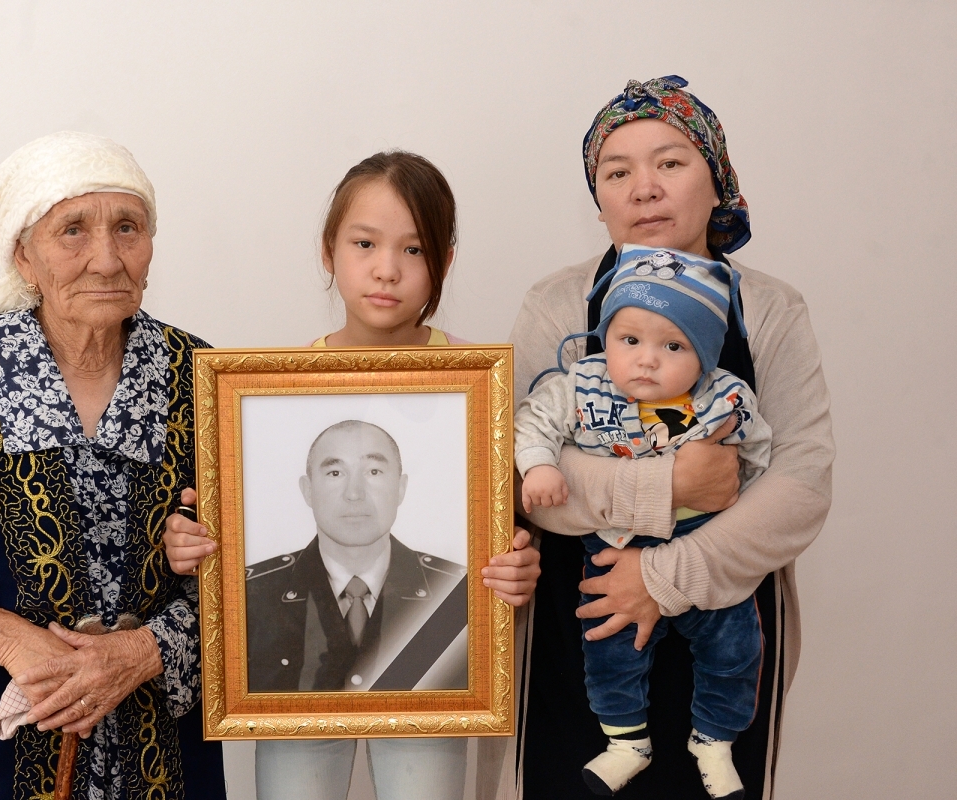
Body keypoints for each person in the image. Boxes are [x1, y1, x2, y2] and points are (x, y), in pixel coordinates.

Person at [0, 132, 226, 800]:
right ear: (24, 256)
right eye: (73, 231)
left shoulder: (202, 378)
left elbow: (256, 575)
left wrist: (146, 651)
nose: (106, 258)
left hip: (159, 760)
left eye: (128, 227)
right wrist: (15, 643)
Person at [163, 151, 541, 800]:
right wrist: (198, 544)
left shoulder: (480, 388)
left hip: (435, 672)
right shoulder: (271, 398)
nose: (387, 268)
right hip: (293, 684)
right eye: (364, 243)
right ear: (328, 250)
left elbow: (508, 527)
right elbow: (237, 541)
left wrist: (519, 567)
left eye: (414, 249)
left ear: (445, 261)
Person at [511, 76, 834, 799]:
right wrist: (670, 486)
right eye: (616, 172)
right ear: (598, 200)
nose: (644, 188)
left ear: (718, 181)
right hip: (584, 610)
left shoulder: (772, 310)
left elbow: (801, 482)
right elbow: (523, 470)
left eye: (670, 162)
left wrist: (661, 578)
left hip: (728, 595)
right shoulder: (555, 304)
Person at [515, 245, 773, 798]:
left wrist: (739, 490)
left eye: (673, 346)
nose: (646, 360)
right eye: (628, 340)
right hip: (613, 542)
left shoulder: (722, 397)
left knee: (735, 648)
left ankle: (714, 740)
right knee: (609, 651)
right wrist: (538, 465)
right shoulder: (581, 384)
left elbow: (762, 457)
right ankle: (626, 742)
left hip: (703, 544)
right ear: (605, 337)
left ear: (705, 356)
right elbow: (531, 421)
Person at [246, 419, 467, 694]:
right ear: (307, 490)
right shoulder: (251, 594)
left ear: (400, 488)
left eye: (373, 471)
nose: (354, 493)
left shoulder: (456, 591)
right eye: (335, 473)